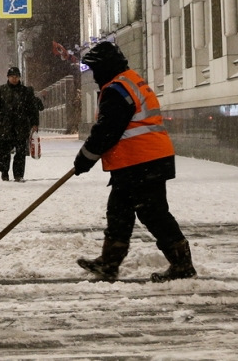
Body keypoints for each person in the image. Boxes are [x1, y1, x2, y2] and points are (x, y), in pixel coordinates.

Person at [72, 41, 196, 282]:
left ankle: (182, 264)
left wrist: (84, 159)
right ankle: (109, 263)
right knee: (119, 211)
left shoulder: (118, 90)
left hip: (143, 161)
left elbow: (107, 131)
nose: (94, 76)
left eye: (95, 70)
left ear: (105, 67)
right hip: (137, 161)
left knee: (153, 213)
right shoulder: (126, 82)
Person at [0, 66, 39, 181]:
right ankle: (4, 172)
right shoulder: (0, 90)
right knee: (4, 152)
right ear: (8, 77)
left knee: (21, 152)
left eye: (16, 76)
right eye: (12, 76)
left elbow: (32, 109)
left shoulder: (26, 92)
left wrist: (34, 123)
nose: (14, 79)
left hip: (21, 126)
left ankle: (18, 174)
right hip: (5, 127)